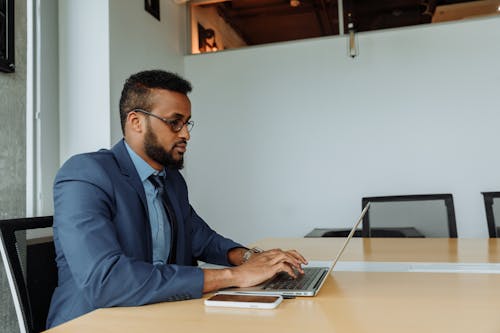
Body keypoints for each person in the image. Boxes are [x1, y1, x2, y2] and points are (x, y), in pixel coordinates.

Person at [47, 70, 307, 328]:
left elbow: (200, 238)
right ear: (136, 121)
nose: (186, 135)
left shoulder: (171, 179)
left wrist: (252, 259)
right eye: (175, 122)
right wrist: (234, 276)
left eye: (187, 123)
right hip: (93, 323)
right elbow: (106, 281)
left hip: (159, 316)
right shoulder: (85, 175)